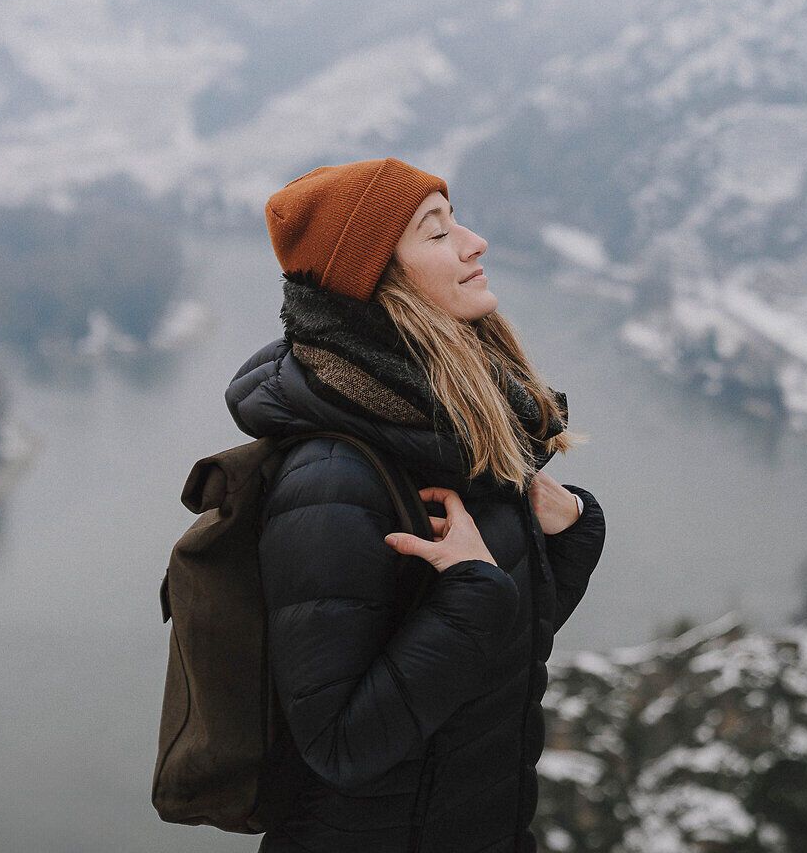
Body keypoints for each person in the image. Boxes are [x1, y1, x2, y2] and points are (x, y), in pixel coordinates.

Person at [227, 156, 607, 853]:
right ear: (378, 279)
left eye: (454, 218)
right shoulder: (333, 479)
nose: (474, 242)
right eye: (436, 233)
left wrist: (572, 535)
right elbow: (341, 743)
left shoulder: (446, 433)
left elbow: (491, 664)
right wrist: (473, 590)